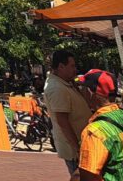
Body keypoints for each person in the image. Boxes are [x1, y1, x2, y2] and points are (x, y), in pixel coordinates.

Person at [44, 49, 93, 179]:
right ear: (61, 66)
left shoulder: (66, 84)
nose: (75, 69)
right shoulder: (56, 88)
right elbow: (63, 122)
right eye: (72, 66)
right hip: (75, 151)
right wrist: (77, 149)